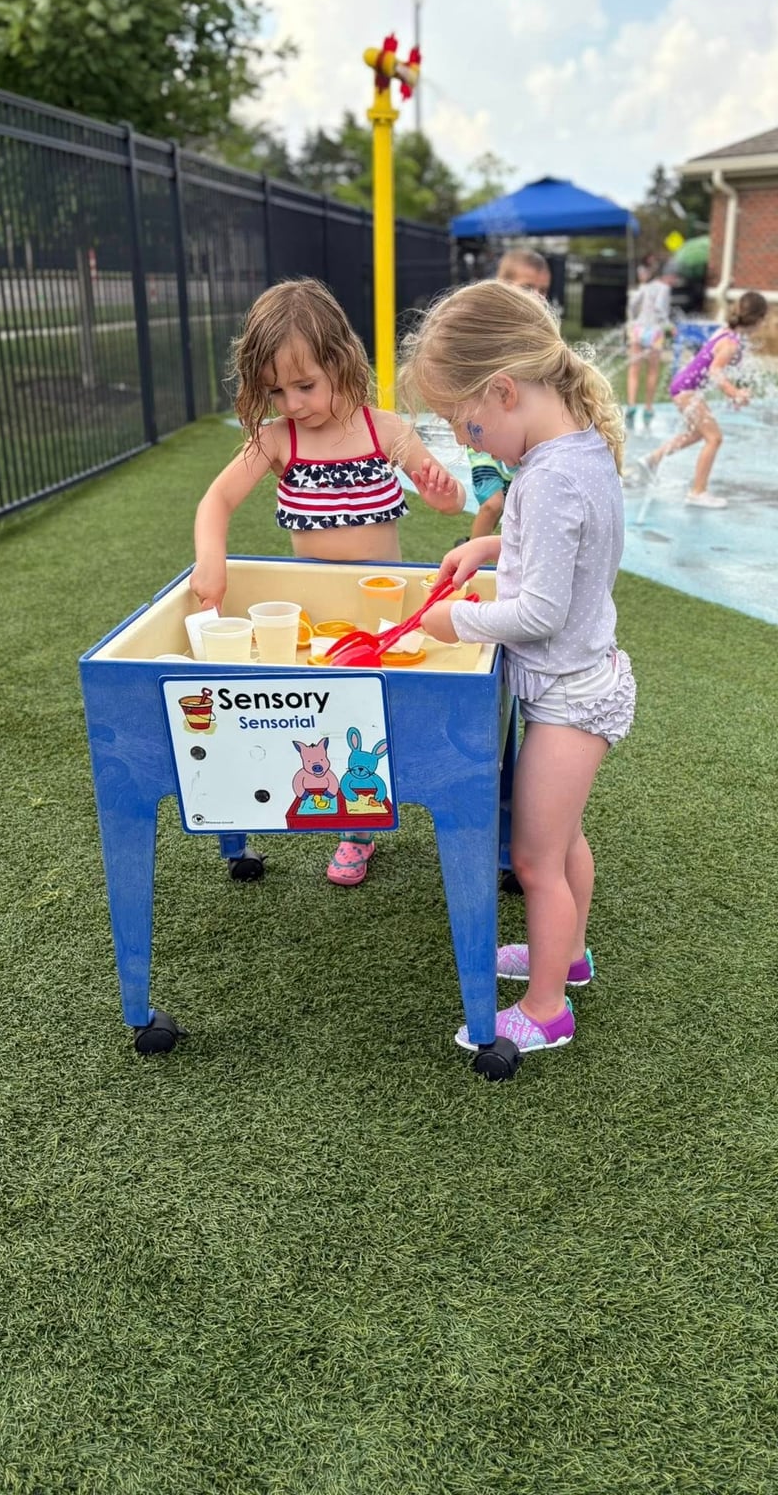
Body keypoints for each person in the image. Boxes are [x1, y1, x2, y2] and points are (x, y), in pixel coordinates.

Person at [401, 279, 636, 1057]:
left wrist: (453, 620)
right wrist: (488, 546)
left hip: (571, 697)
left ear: (503, 391)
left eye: (466, 424)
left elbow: (536, 613)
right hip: (583, 683)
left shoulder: (545, 478)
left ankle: (546, 1011)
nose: (467, 445)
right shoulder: (576, 452)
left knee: (536, 857)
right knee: (563, 841)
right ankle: (565, 958)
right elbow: (562, 555)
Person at [192, 277, 466, 886]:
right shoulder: (278, 439)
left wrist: (443, 492)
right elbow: (216, 500)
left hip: (381, 606)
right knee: (327, 716)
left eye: (305, 385)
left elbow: (444, 502)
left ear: (342, 361)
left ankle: (397, 803)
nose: (291, 403)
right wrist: (211, 557)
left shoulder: (385, 430)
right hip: (319, 617)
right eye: (276, 390)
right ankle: (355, 827)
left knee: (382, 712)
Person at [638, 290, 769, 509]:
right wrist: (734, 393)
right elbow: (715, 371)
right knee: (714, 438)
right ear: (757, 319)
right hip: (686, 390)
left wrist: (732, 394)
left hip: (683, 387)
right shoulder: (731, 343)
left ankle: (653, 459)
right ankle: (697, 492)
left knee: (698, 434)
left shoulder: (725, 333)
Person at [463, 249, 553, 541]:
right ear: (502, 283)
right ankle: (472, 557)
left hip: (519, 441)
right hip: (485, 435)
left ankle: (510, 563)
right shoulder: (487, 330)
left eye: (543, 290)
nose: (537, 297)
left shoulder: (542, 335)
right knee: (493, 504)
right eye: (528, 288)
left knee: (521, 507)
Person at [624, 259, 673, 432]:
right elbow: (660, 309)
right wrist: (669, 325)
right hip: (655, 332)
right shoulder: (664, 289)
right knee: (652, 371)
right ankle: (648, 407)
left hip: (639, 330)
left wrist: (633, 318)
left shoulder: (642, 288)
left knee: (633, 370)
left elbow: (632, 306)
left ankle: (631, 405)